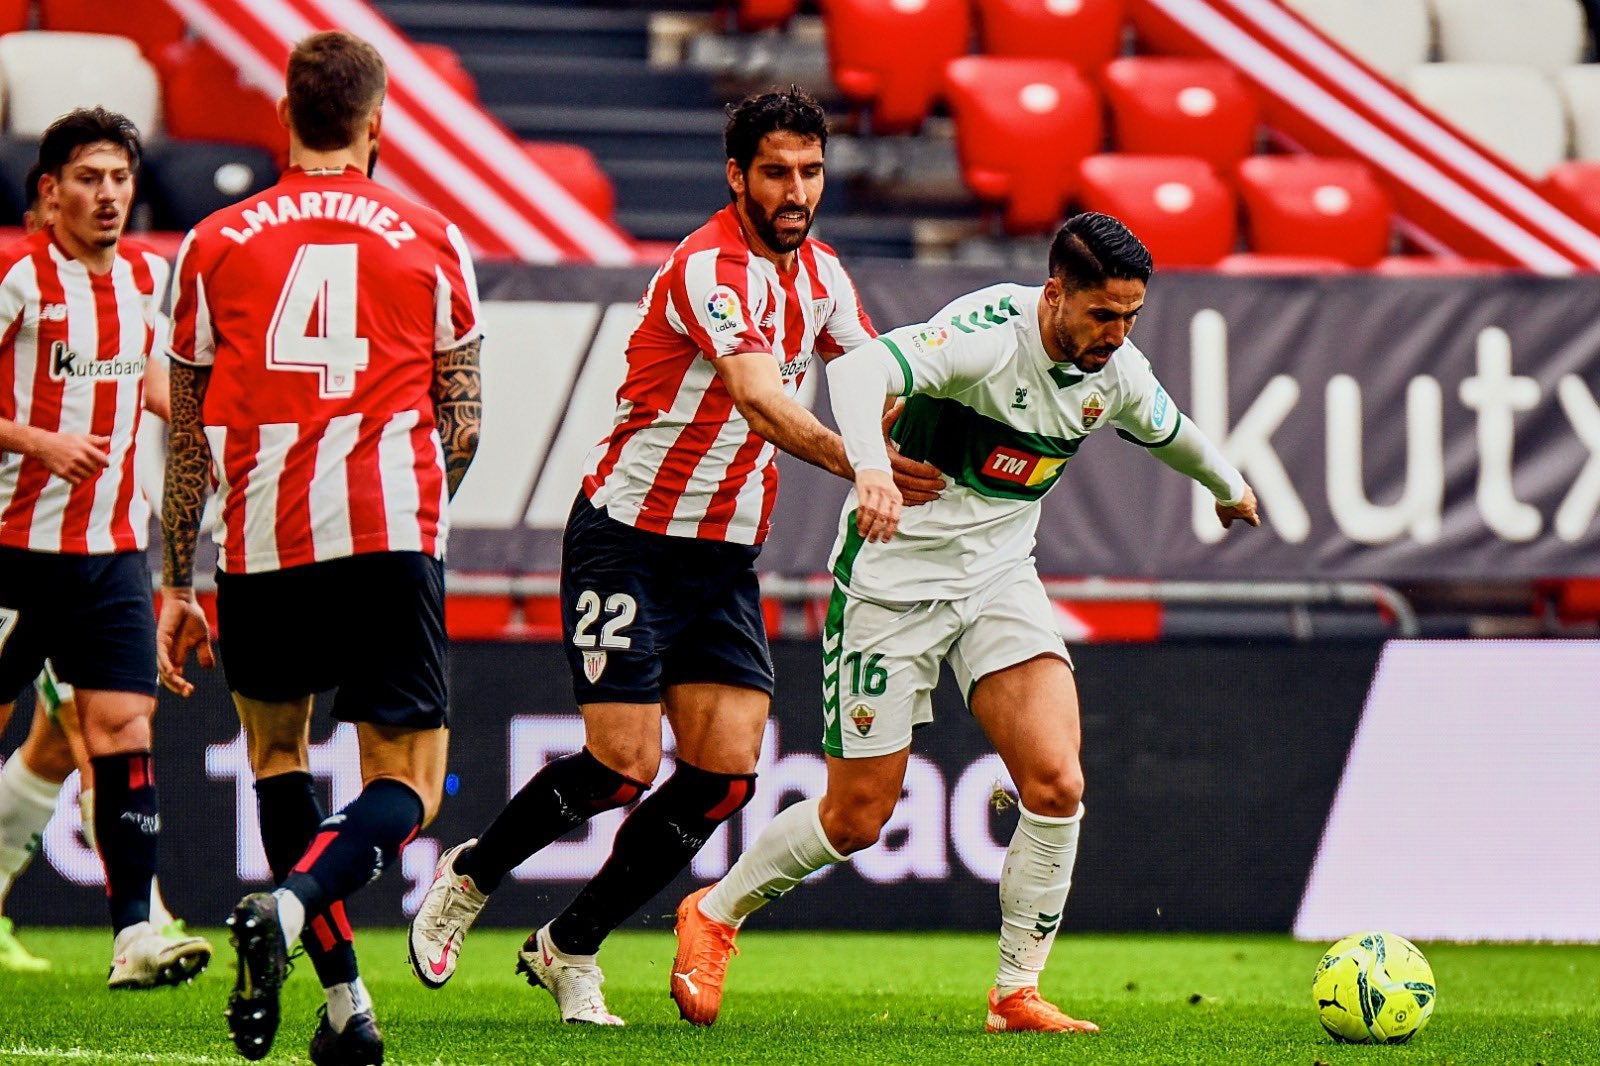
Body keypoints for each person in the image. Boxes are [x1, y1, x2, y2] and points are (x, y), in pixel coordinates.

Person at [405, 85, 942, 1026]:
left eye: (811, 171)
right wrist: (863, 463)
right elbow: (760, 401)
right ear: (737, 176)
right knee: (621, 764)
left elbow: (873, 379)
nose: (796, 190)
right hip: (630, 539)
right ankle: (472, 874)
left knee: (727, 773)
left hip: (725, 555)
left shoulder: (822, 276)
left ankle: (570, 944)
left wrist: (930, 425)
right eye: (776, 171)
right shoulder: (709, 269)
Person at [669, 212, 1261, 1033]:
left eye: (1132, 316)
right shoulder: (987, 336)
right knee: (857, 817)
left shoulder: (1114, 367)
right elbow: (862, 370)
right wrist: (869, 469)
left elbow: (1170, 429)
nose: (1118, 334)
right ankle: (715, 912)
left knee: (1057, 783)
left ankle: (1016, 992)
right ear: (1056, 293)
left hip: (998, 583)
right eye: (1103, 315)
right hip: (893, 584)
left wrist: (1228, 485)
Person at [157, 29, 482, 1065]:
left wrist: (177, 581)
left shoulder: (211, 242)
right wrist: (425, 510)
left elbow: (183, 436)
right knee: (410, 785)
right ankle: (293, 907)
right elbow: (462, 420)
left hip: (260, 540)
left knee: (278, 758)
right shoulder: (431, 235)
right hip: (386, 529)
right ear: (378, 119)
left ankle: (345, 1008)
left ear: (284, 118)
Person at [0, 108, 212, 990]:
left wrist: (220, 423)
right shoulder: (18, 281)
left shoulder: (146, 279)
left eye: (121, 179)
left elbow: (151, 383)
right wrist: (34, 441)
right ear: (49, 194)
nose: (109, 195)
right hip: (10, 547)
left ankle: (133, 937)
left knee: (123, 728)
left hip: (111, 556)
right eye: (89, 179)